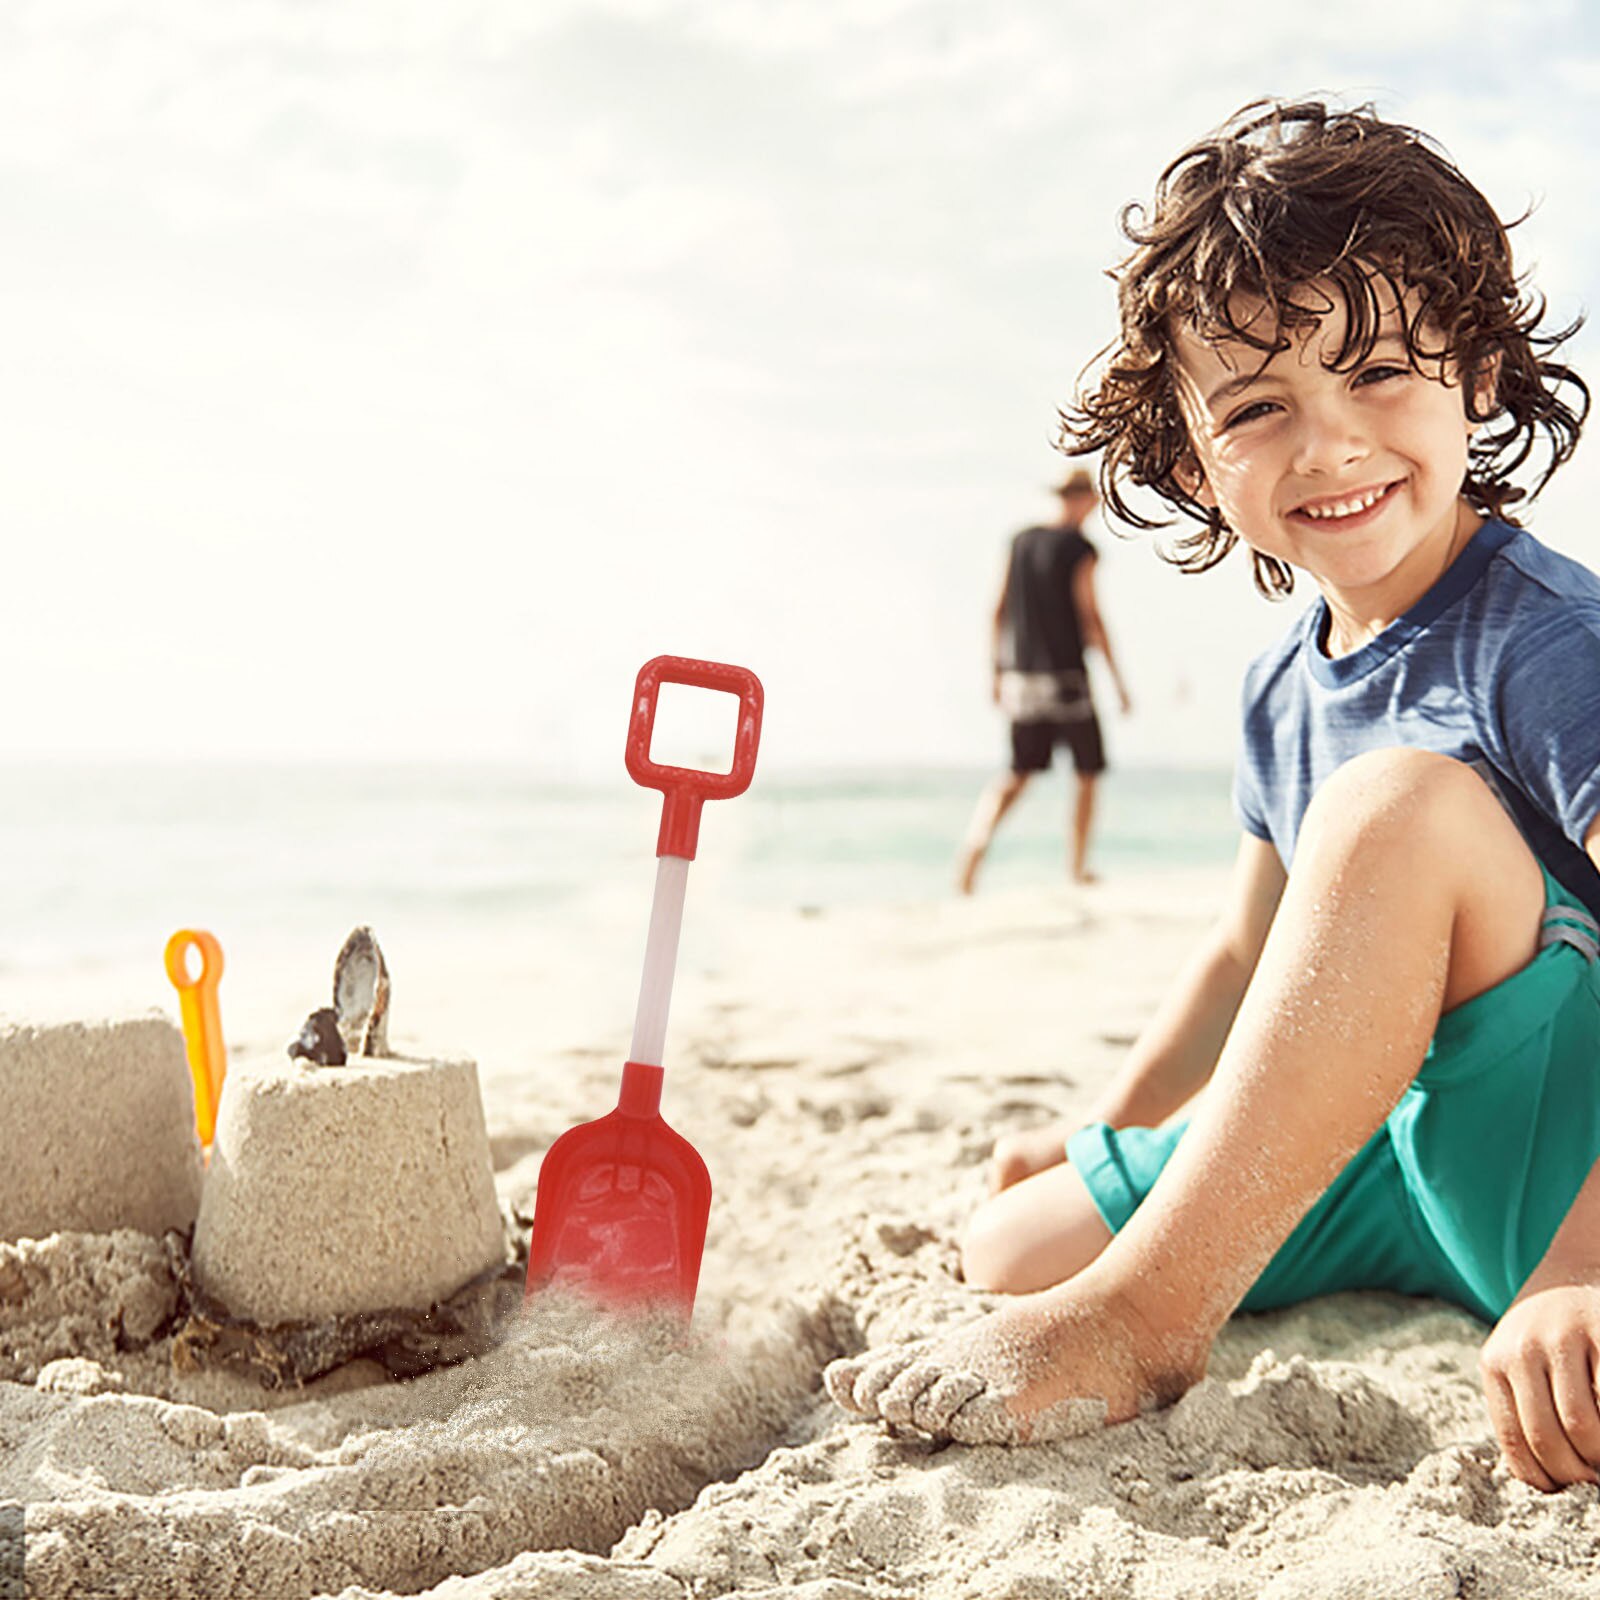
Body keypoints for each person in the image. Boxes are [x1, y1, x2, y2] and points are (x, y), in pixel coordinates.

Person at [827, 99, 1600, 1491]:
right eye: (1259, 408)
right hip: (1405, 1157)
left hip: (1560, 1156)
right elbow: (1250, 956)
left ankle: (1143, 1324)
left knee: (1393, 811)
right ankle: (1155, 1269)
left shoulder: (1549, 641)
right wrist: (1109, 1129)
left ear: (1478, 373)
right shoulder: (1279, 687)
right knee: (1012, 1242)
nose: (1330, 445)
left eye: (1376, 375)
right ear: (1193, 463)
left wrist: (1581, 1267)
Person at [957, 470, 1132, 893]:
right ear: (1085, 499)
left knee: (1017, 772)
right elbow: (1090, 615)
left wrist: (996, 672)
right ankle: (1076, 866)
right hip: (1067, 677)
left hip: (1021, 677)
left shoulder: (1020, 541)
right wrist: (1117, 680)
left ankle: (974, 849)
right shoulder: (1080, 548)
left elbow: (997, 609)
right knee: (1087, 771)